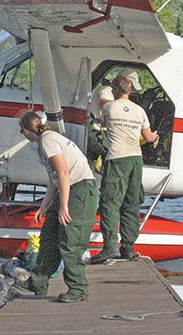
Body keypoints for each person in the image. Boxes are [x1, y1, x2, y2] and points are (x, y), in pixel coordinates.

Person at [16, 111, 100, 302]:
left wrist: (64, 206)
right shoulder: (44, 144)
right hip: (67, 187)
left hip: (80, 189)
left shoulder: (48, 140)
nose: (24, 135)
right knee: (49, 236)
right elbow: (53, 178)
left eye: (22, 132)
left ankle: (78, 288)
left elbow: (63, 172)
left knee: (70, 240)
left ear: (27, 130)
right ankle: (38, 282)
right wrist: (44, 206)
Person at [90, 75, 159, 264]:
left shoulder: (109, 107)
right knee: (131, 204)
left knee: (110, 203)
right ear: (129, 90)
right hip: (136, 160)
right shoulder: (140, 111)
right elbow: (148, 136)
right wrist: (156, 137)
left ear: (114, 90)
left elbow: (101, 122)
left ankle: (110, 247)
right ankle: (128, 248)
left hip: (117, 158)